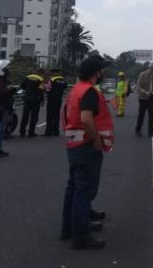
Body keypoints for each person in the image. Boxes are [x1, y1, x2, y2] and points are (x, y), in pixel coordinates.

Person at [61, 54, 114, 249]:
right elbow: (85, 118)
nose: (104, 73)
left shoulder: (76, 89)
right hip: (86, 146)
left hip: (74, 145)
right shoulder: (89, 92)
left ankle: (69, 228)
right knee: (84, 191)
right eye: (102, 70)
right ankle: (80, 236)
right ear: (96, 73)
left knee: (74, 188)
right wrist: (97, 139)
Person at [19, 67, 46, 137]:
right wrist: (42, 100)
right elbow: (41, 91)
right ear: (41, 73)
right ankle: (31, 132)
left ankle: (22, 132)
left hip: (27, 99)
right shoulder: (41, 80)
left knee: (25, 116)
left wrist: (28, 91)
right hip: (35, 100)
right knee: (34, 117)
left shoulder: (28, 77)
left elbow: (21, 86)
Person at [135, 62, 153, 136]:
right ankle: (138, 130)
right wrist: (145, 92)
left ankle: (150, 132)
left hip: (151, 97)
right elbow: (138, 87)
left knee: (151, 115)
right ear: (150, 68)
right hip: (143, 98)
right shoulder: (142, 75)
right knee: (141, 115)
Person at [44, 68, 68, 136]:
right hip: (59, 100)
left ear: (53, 73)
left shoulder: (51, 80)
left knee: (50, 116)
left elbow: (48, 89)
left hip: (51, 100)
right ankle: (56, 131)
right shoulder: (63, 80)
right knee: (57, 116)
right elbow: (65, 86)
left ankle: (48, 132)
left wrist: (45, 89)